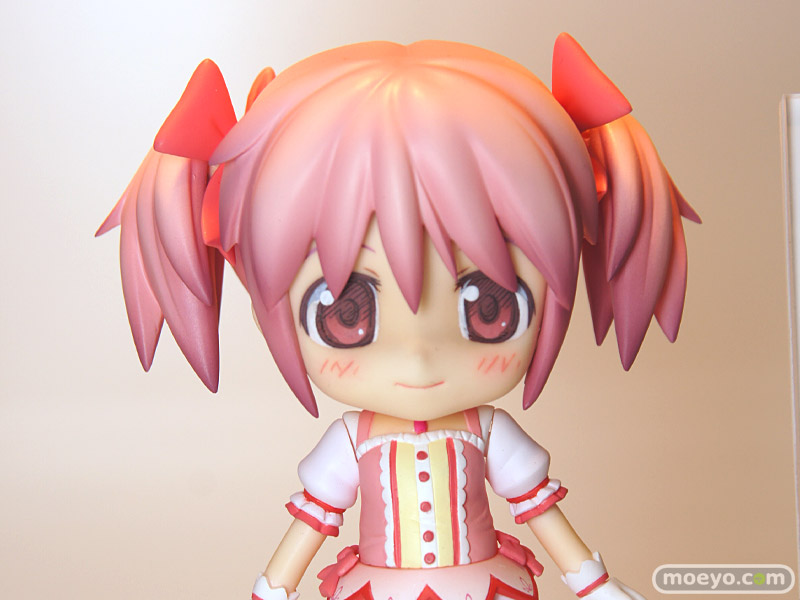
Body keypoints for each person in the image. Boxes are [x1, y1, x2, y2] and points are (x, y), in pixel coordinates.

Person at [97, 34, 699, 600]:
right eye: (347, 313)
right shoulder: (354, 442)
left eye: (489, 307)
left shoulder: (486, 432)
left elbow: (539, 508)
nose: (417, 358)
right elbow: (311, 524)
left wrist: (597, 588)